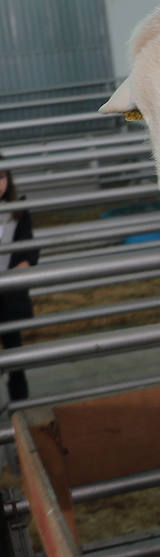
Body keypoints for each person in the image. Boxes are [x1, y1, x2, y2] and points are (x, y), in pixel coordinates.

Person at [0, 169, 39, 403]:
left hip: (9, 295)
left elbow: (29, 248)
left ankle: (19, 407)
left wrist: (20, 268)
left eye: (2, 177)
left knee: (14, 351)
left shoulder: (19, 211)